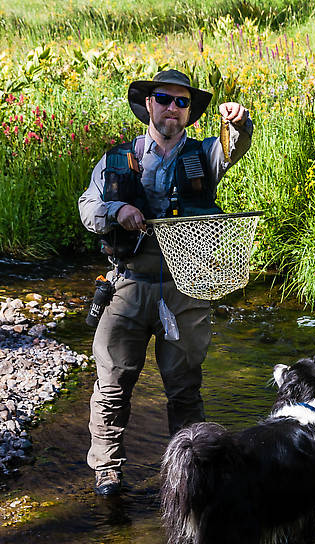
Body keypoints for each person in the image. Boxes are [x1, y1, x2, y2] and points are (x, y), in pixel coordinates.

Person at [78, 69, 253, 495]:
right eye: (164, 99)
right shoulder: (116, 158)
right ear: (148, 105)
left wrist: (240, 123)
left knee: (185, 387)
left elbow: (238, 148)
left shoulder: (209, 153)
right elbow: (87, 208)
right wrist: (116, 211)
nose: (171, 108)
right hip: (128, 282)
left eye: (181, 102)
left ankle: (189, 468)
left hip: (187, 286)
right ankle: (108, 470)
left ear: (189, 113)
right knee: (113, 382)